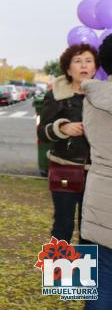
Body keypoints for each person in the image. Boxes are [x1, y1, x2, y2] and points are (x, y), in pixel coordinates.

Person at [37, 43, 98, 244]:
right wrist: (62, 128)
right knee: (62, 225)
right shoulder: (56, 96)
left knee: (90, 229)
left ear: (95, 67)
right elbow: (42, 131)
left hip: (97, 173)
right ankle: (57, 274)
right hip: (65, 169)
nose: (84, 65)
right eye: (78, 61)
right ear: (68, 68)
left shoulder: (103, 96)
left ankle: (87, 275)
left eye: (89, 61)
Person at [81, 35, 112, 310]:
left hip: (101, 196)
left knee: (102, 283)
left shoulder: (92, 96)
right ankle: (66, 286)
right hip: (66, 179)